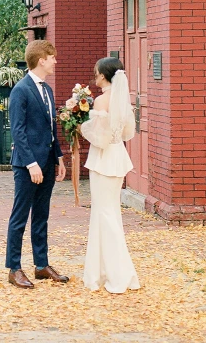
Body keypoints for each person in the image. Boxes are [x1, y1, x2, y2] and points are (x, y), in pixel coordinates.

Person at [5, 40, 67, 289]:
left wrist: (59, 158)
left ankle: (41, 265)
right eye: (52, 57)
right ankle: (14, 268)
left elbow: (51, 129)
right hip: (27, 166)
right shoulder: (20, 90)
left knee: (41, 216)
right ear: (41, 59)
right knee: (19, 217)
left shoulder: (48, 90)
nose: (55, 61)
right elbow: (17, 132)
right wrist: (31, 164)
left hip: (48, 163)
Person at [80, 57, 140, 293]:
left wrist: (81, 127)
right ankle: (104, 272)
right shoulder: (122, 102)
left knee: (104, 215)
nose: (95, 77)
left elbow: (100, 139)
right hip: (117, 158)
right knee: (109, 213)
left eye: (96, 74)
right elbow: (126, 134)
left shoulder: (101, 101)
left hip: (103, 160)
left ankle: (116, 274)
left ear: (104, 76)